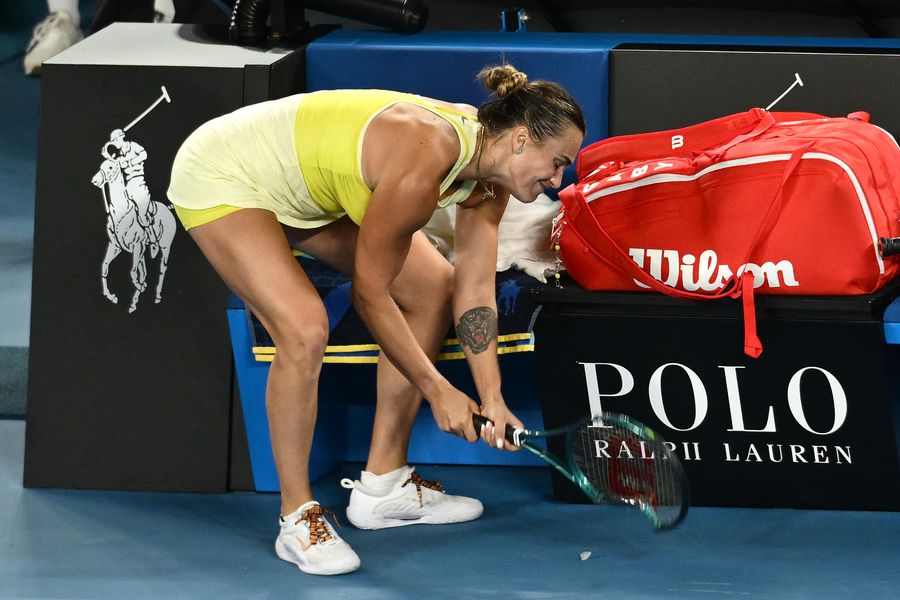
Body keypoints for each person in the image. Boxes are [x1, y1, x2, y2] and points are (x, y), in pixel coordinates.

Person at [167, 64, 585, 576]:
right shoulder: (425, 158)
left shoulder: (488, 182)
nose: (557, 180)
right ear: (521, 139)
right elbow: (370, 293)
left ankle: (382, 487)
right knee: (304, 327)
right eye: (558, 162)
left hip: (305, 189)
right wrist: (437, 390)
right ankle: (297, 518)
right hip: (225, 171)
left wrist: (491, 398)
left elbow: (474, 292)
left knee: (433, 286)